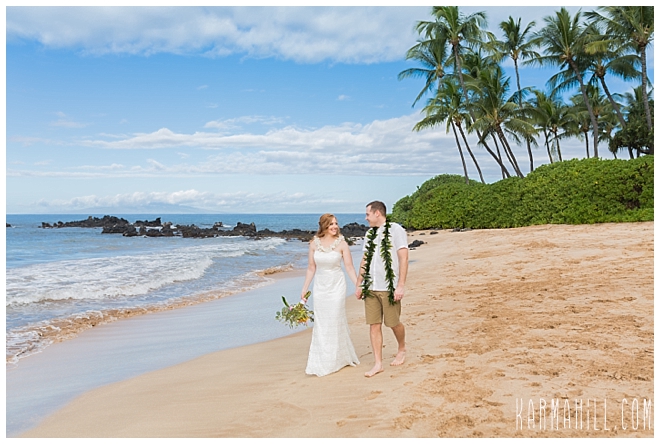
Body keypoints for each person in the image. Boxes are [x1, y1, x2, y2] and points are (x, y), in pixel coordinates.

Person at [301, 213, 360, 377]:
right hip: (320, 287)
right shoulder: (314, 244)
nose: (335, 226)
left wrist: (358, 285)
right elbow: (311, 268)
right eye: (331, 224)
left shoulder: (342, 244)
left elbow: (349, 267)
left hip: (337, 286)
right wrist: (305, 288)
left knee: (334, 318)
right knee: (322, 322)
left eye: (336, 223)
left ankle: (336, 360)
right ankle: (323, 359)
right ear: (324, 226)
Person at [355, 201, 408, 377]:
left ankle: (402, 347)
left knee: (393, 323)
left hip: (389, 286)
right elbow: (365, 260)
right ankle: (378, 363)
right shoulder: (369, 234)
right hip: (371, 286)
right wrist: (359, 283)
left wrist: (400, 285)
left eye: (368, 214)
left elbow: (403, 258)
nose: (366, 218)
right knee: (374, 325)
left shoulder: (396, 230)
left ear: (377, 213)